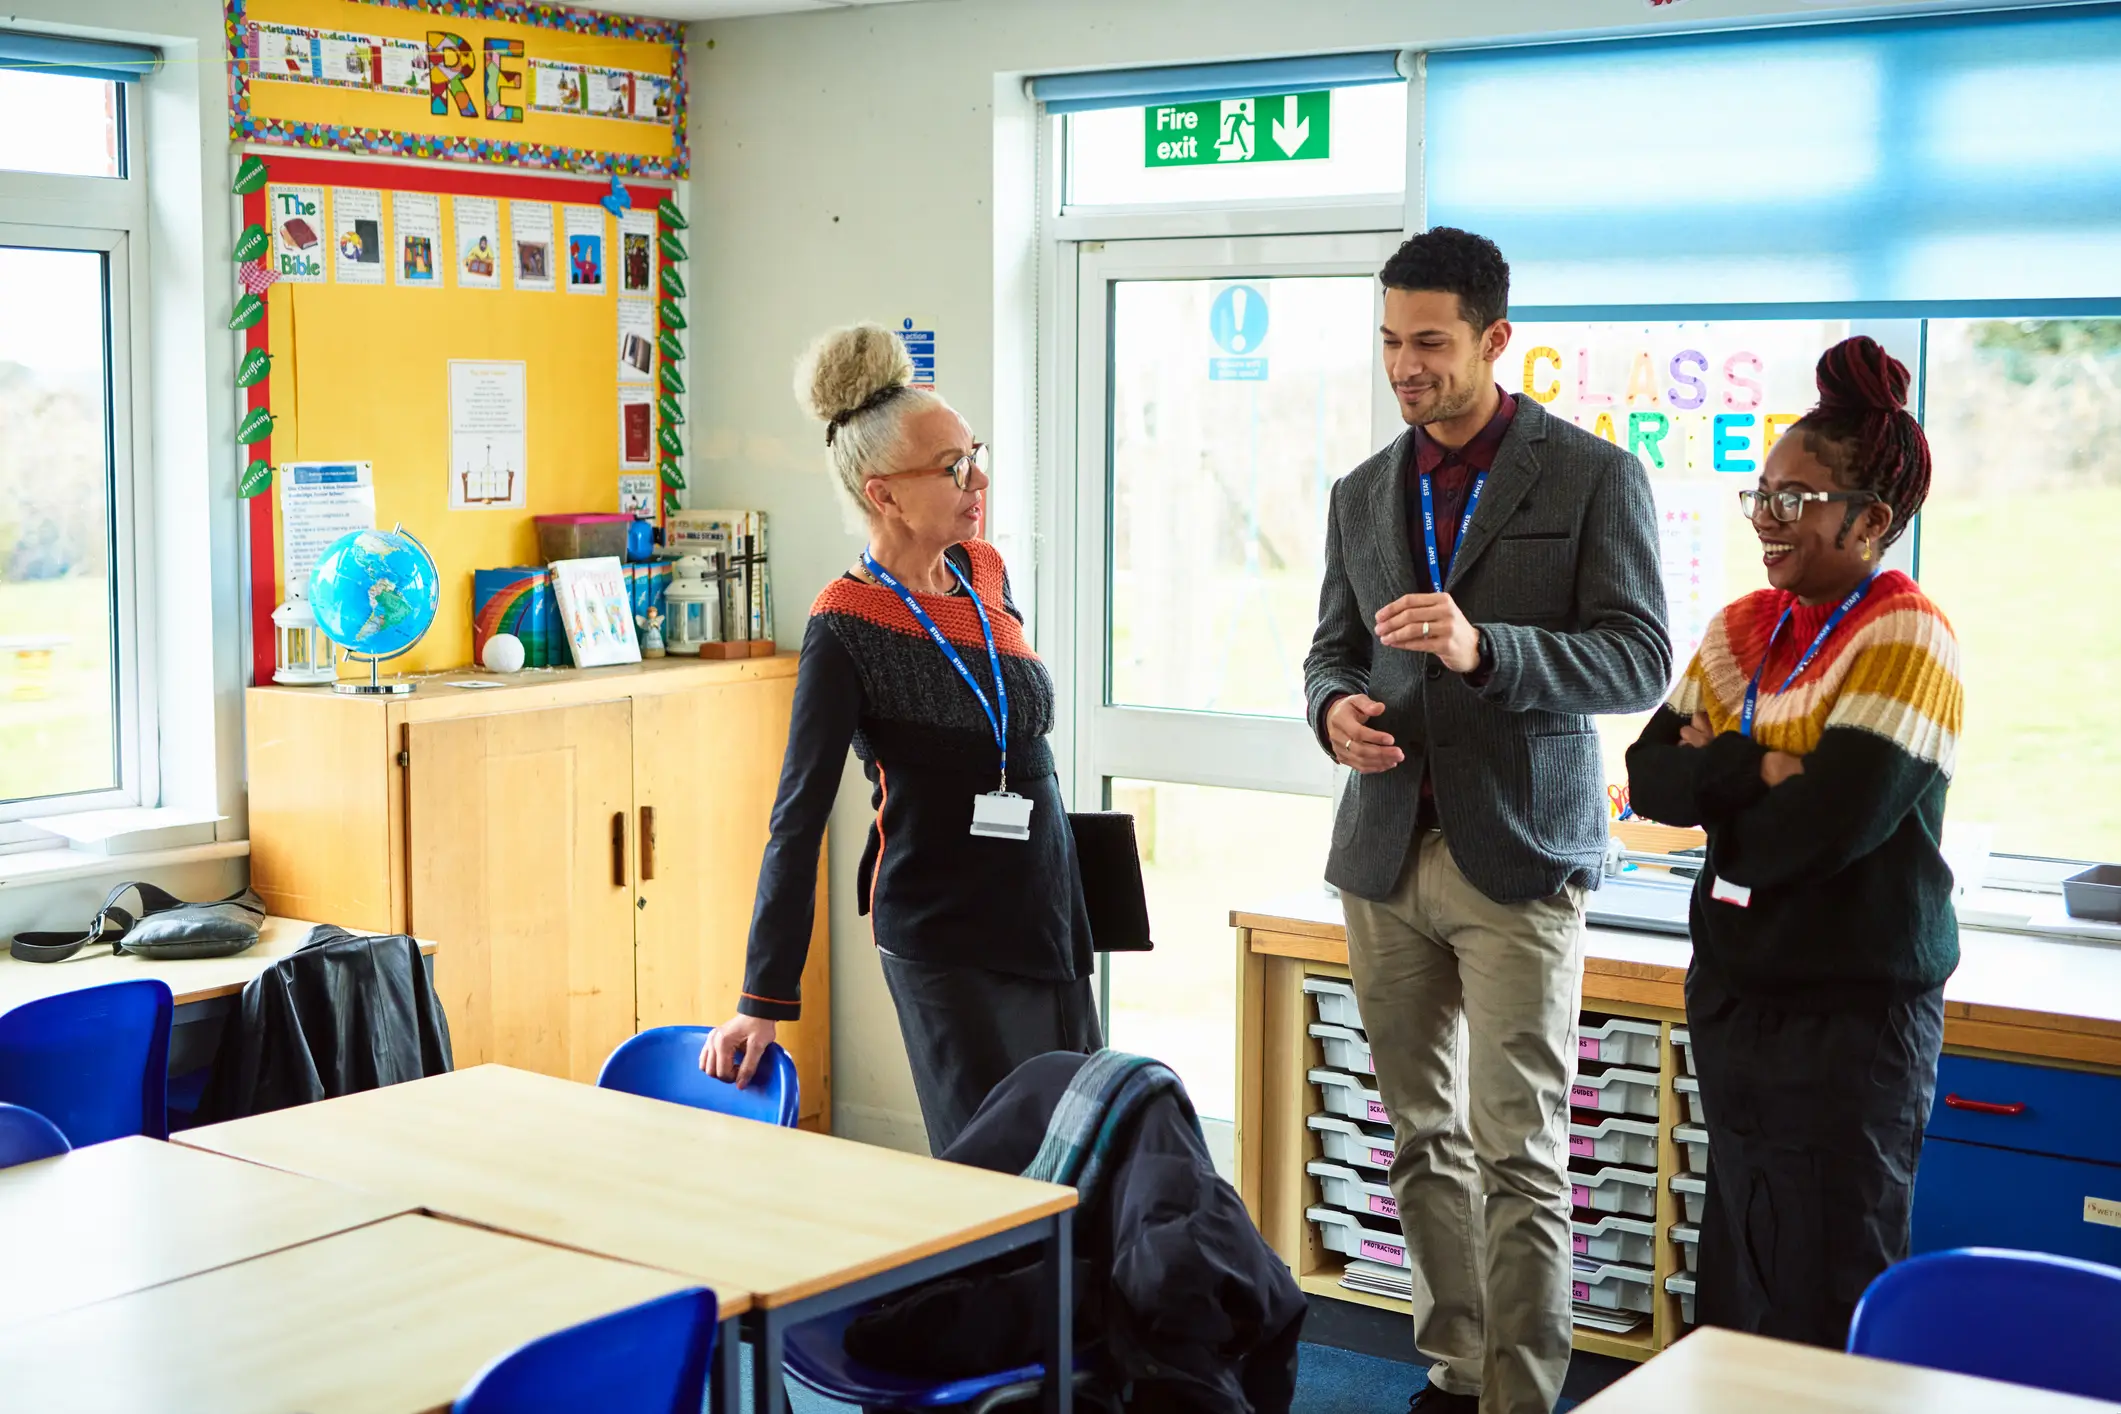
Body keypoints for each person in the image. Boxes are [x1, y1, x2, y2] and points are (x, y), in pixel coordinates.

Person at [1303, 228, 1671, 1414]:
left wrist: (1483, 648)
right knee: (1418, 1136)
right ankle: (1456, 1371)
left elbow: (1639, 658)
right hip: (1382, 853)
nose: (1405, 368)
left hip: (1518, 856)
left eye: (1430, 343)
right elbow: (1326, 651)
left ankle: (1522, 1397)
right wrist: (1332, 713)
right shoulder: (1363, 489)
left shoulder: (1593, 477)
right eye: (1390, 343)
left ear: (1495, 339)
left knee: (1517, 1146)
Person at [1624, 336, 1962, 1347]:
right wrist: (1752, 770)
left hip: (1852, 1017)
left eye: (1798, 498)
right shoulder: (1744, 625)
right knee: (1737, 1258)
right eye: (1762, 493)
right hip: (1738, 991)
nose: (1769, 517)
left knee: (1830, 1276)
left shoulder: (1907, 637)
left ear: (1871, 520)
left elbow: (1815, 837)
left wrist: (1717, 772)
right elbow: (1646, 778)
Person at [703, 322, 1099, 1154]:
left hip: (1044, 912)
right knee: (996, 1169)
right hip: (945, 932)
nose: (977, 478)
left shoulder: (985, 570)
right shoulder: (843, 622)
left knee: (1083, 1154)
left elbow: (1014, 739)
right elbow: (796, 819)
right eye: (952, 466)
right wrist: (762, 1000)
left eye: (973, 453)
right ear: (883, 494)